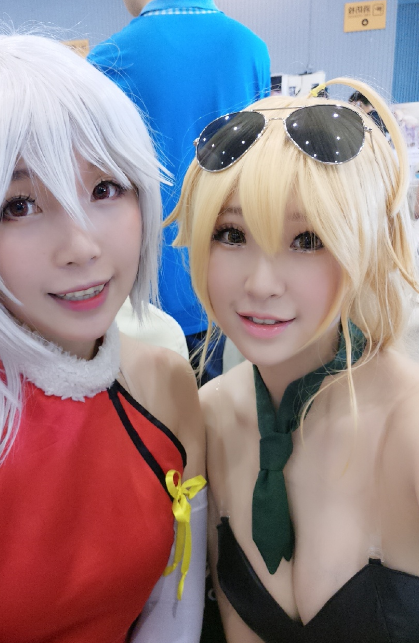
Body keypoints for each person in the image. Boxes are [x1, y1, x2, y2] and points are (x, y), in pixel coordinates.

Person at [0, 33, 207, 643]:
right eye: (19, 205)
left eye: (105, 189)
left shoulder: (165, 383)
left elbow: (174, 602)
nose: (82, 247)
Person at [169, 77, 419, 642]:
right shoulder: (210, 416)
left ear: (364, 244)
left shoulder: (409, 427)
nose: (261, 284)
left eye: (307, 240)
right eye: (232, 233)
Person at [89, 0, 270, 384]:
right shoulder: (250, 49)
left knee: (158, 413)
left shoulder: (109, 60)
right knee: (230, 404)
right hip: (236, 278)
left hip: (150, 291)